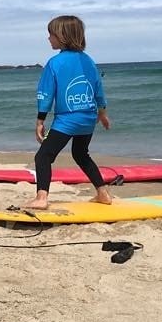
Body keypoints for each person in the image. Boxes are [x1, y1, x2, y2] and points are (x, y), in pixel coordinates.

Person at [27, 15, 113, 210]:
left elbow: (46, 93)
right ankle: (103, 193)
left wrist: (40, 120)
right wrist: (102, 113)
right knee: (81, 154)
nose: (48, 38)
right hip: (88, 117)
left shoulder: (55, 63)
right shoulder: (88, 61)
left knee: (43, 157)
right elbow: (98, 88)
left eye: (51, 34)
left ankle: (41, 198)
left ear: (62, 36)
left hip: (67, 119)